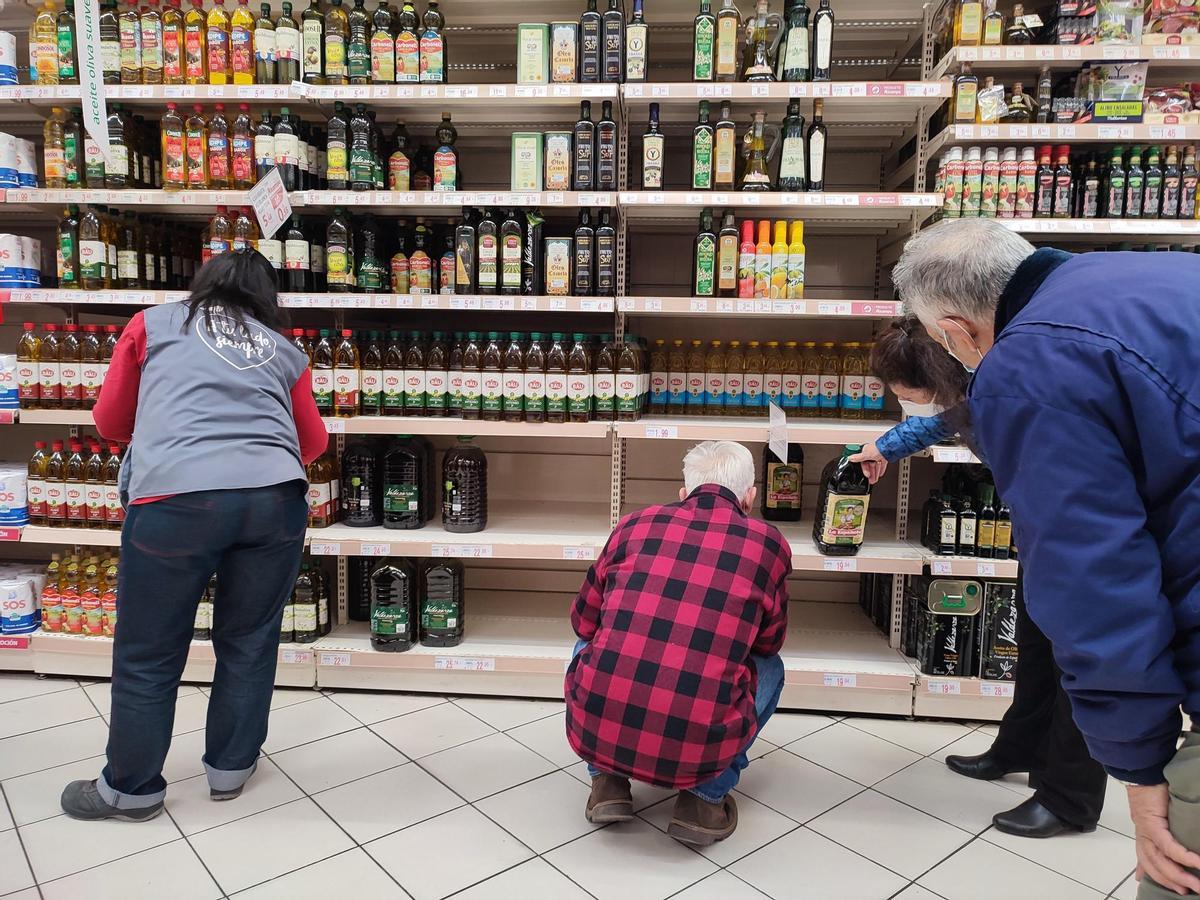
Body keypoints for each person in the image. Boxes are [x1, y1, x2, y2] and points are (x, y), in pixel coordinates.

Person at [894, 217, 1200, 896]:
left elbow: (1095, 582)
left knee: (1176, 873)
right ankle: (1024, 750)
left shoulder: (1027, 362)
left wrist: (1143, 770)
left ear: (955, 330)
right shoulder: (1140, 277)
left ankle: (1066, 794)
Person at [60, 250, 327, 822]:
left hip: (176, 502)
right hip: (273, 501)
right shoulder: (284, 350)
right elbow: (315, 443)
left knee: (148, 653)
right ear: (266, 298)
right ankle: (231, 768)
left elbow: (109, 422)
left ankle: (130, 789)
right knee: (251, 640)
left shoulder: (154, 322)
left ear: (203, 285)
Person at [850, 319, 1107, 839]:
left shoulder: (1020, 384)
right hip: (1042, 523)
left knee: (1078, 660)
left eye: (908, 393)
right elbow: (951, 417)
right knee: (1036, 646)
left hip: (1087, 526)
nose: (907, 402)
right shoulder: (979, 385)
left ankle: (1070, 799)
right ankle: (1021, 747)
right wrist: (887, 445)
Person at [564, 441, 789, 847]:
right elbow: (770, 641)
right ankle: (703, 801)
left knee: (588, 642)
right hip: (700, 739)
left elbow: (583, 621)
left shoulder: (633, 524)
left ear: (683, 493)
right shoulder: (768, 544)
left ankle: (606, 781)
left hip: (598, 726)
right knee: (771, 668)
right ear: (749, 498)